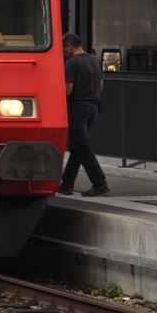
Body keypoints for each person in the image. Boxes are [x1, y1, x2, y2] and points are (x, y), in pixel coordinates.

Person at [57, 32, 109, 196]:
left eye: (64, 49)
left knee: (83, 147)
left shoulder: (72, 63)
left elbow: (67, 90)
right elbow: (101, 86)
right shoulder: (95, 60)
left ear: (69, 47)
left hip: (77, 108)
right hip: (93, 106)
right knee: (77, 147)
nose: (64, 53)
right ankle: (67, 184)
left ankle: (99, 183)